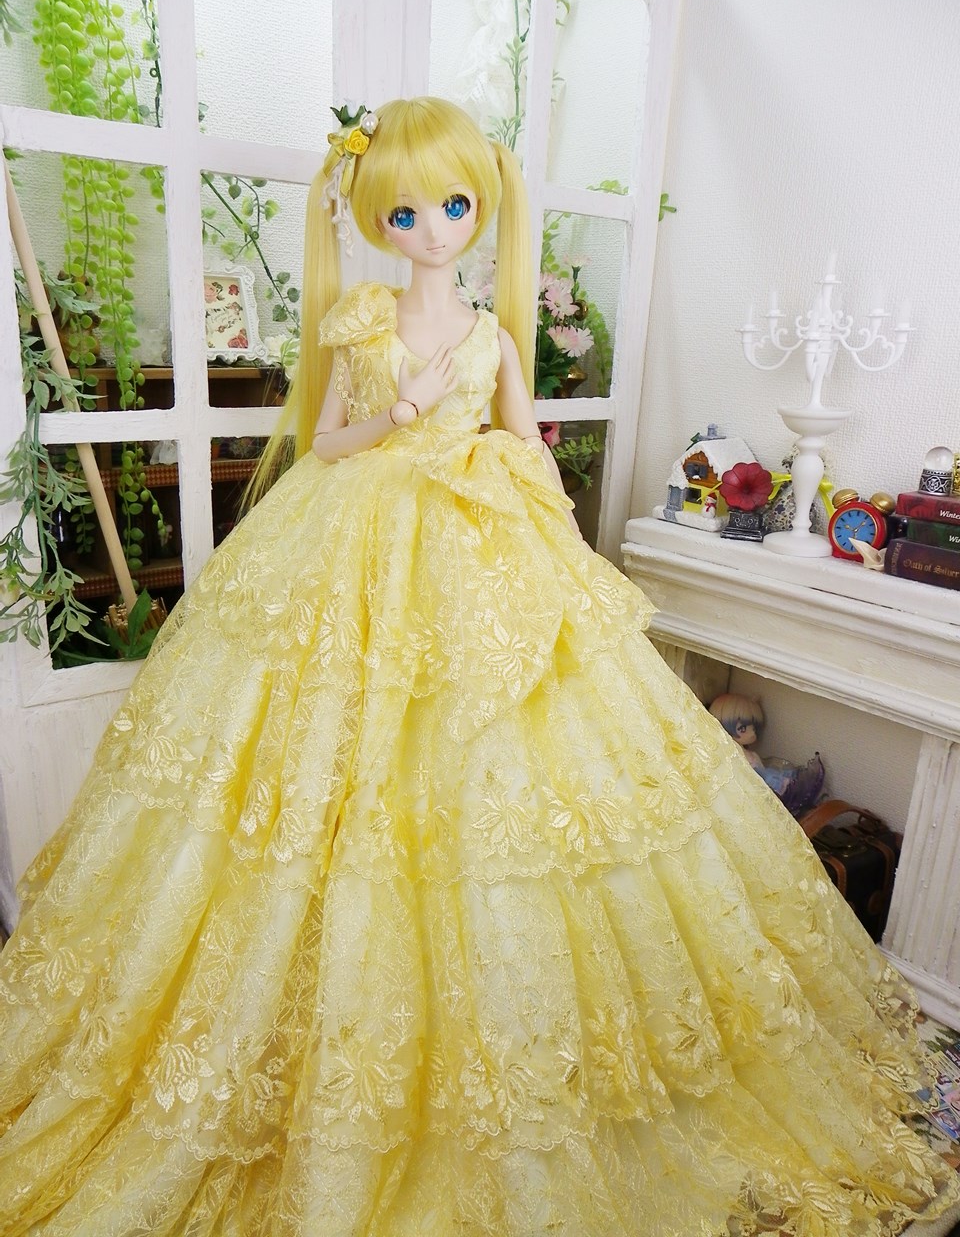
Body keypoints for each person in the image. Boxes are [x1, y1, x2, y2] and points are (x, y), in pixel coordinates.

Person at [1, 97, 957, 1237]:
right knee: (331, 742)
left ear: (481, 207)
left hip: (479, 538)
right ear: (376, 219)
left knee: (509, 754)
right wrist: (394, 415)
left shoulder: (495, 336)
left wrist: (556, 548)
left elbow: (522, 440)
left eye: (452, 207)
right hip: (355, 533)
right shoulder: (361, 324)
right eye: (405, 213)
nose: (432, 230)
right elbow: (326, 439)